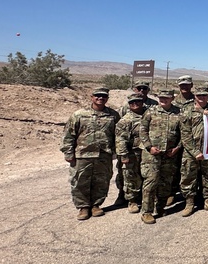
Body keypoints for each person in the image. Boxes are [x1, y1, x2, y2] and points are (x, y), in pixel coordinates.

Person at [61, 87, 119, 220]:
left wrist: (118, 152)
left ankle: (96, 205)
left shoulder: (113, 115)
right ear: (92, 97)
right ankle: (83, 207)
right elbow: (69, 135)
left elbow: (118, 135)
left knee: (102, 181)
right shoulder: (79, 114)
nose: (100, 98)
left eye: (103, 96)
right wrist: (68, 152)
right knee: (80, 181)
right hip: (82, 154)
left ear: (107, 99)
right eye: (97, 95)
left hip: (104, 154)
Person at [138, 89, 182, 224]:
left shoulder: (178, 113)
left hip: (169, 154)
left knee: (165, 182)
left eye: (167, 98)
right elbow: (142, 130)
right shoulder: (150, 112)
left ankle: (161, 207)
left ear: (172, 99)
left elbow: (183, 133)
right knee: (151, 182)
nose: (163, 99)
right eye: (161, 97)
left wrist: (177, 148)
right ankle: (147, 212)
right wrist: (149, 147)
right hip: (152, 154)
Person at [181, 89, 208, 214]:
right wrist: (194, 152)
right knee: (188, 176)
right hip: (191, 151)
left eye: (204, 95)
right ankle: (189, 203)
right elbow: (185, 134)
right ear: (195, 96)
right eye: (199, 95)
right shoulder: (187, 111)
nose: (202, 98)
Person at [115, 91, 146, 214]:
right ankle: (132, 200)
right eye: (132, 102)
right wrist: (124, 155)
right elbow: (120, 139)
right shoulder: (125, 120)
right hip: (132, 152)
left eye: (138, 101)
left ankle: (144, 198)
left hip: (146, 152)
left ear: (142, 102)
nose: (135, 104)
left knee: (145, 175)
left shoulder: (148, 115)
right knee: (130, 176)